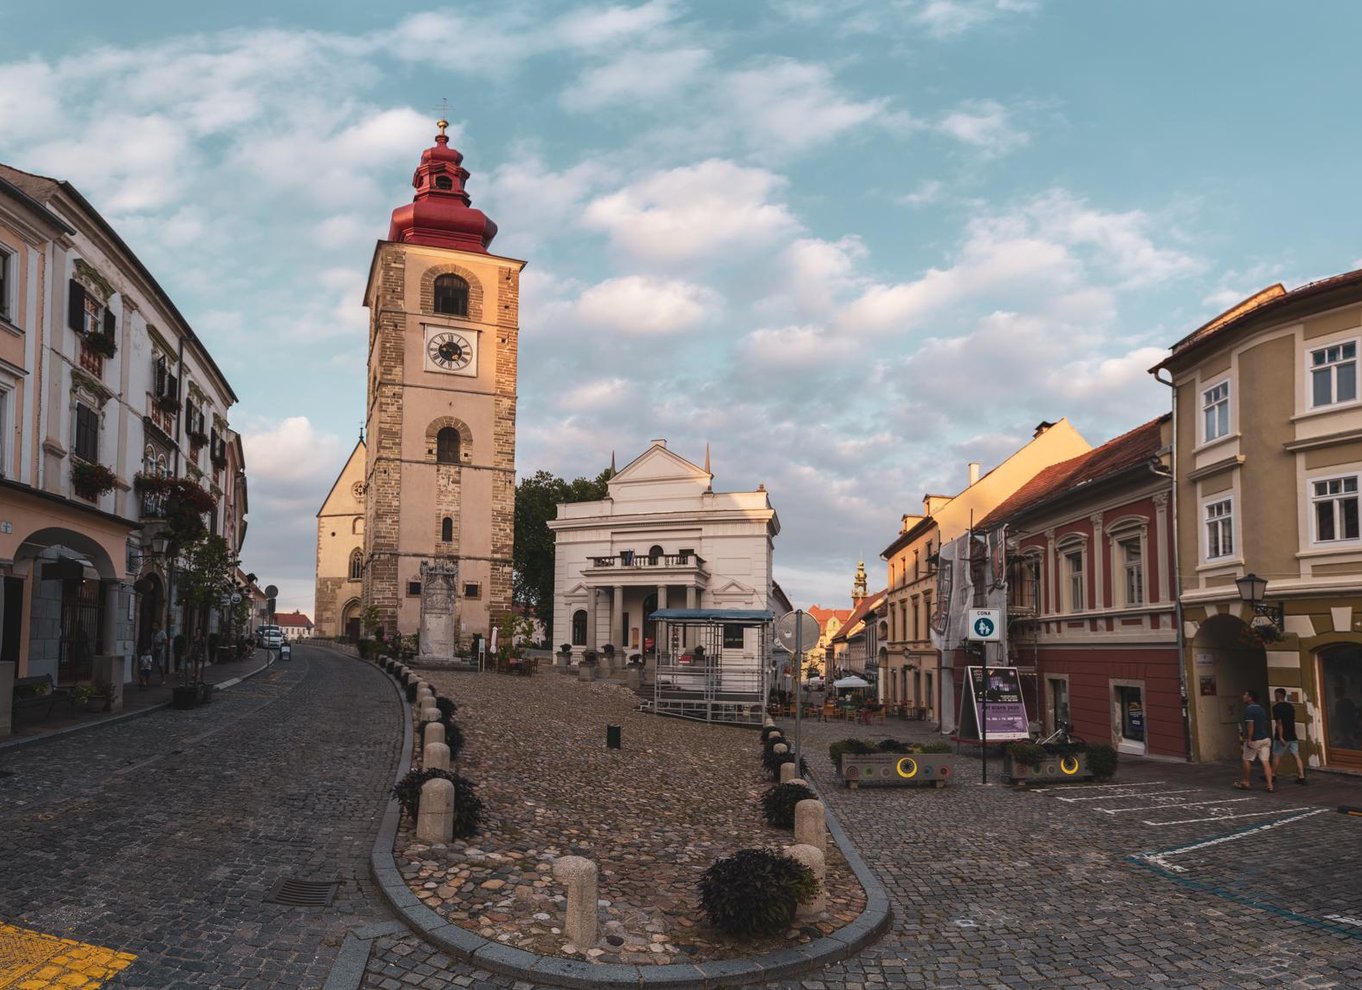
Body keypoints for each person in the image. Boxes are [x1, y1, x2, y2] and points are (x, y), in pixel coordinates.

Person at [1235, 689, 1274, 792]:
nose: (1243, 696)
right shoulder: (1261, 709)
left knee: (1247, 759)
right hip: (1265, 738)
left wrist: (1249, 739)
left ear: (1250, 698)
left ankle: (1246, 782)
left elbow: (1250, 725)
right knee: (1265, 762)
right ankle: (1270, 785)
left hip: (1255, 739)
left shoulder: (1249, 710)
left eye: (1245, 695)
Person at [1271, 688, 1307, 784]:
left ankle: (1272, 775)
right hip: (1292, 734)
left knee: (1276, 755)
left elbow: (1279, 722)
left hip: (1283, 736)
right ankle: (1301, 777)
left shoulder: (1276, 707)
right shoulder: (1290, 706)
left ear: (1278, 695)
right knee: (1296, 755)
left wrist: (1281, 736)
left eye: (1275, 694)